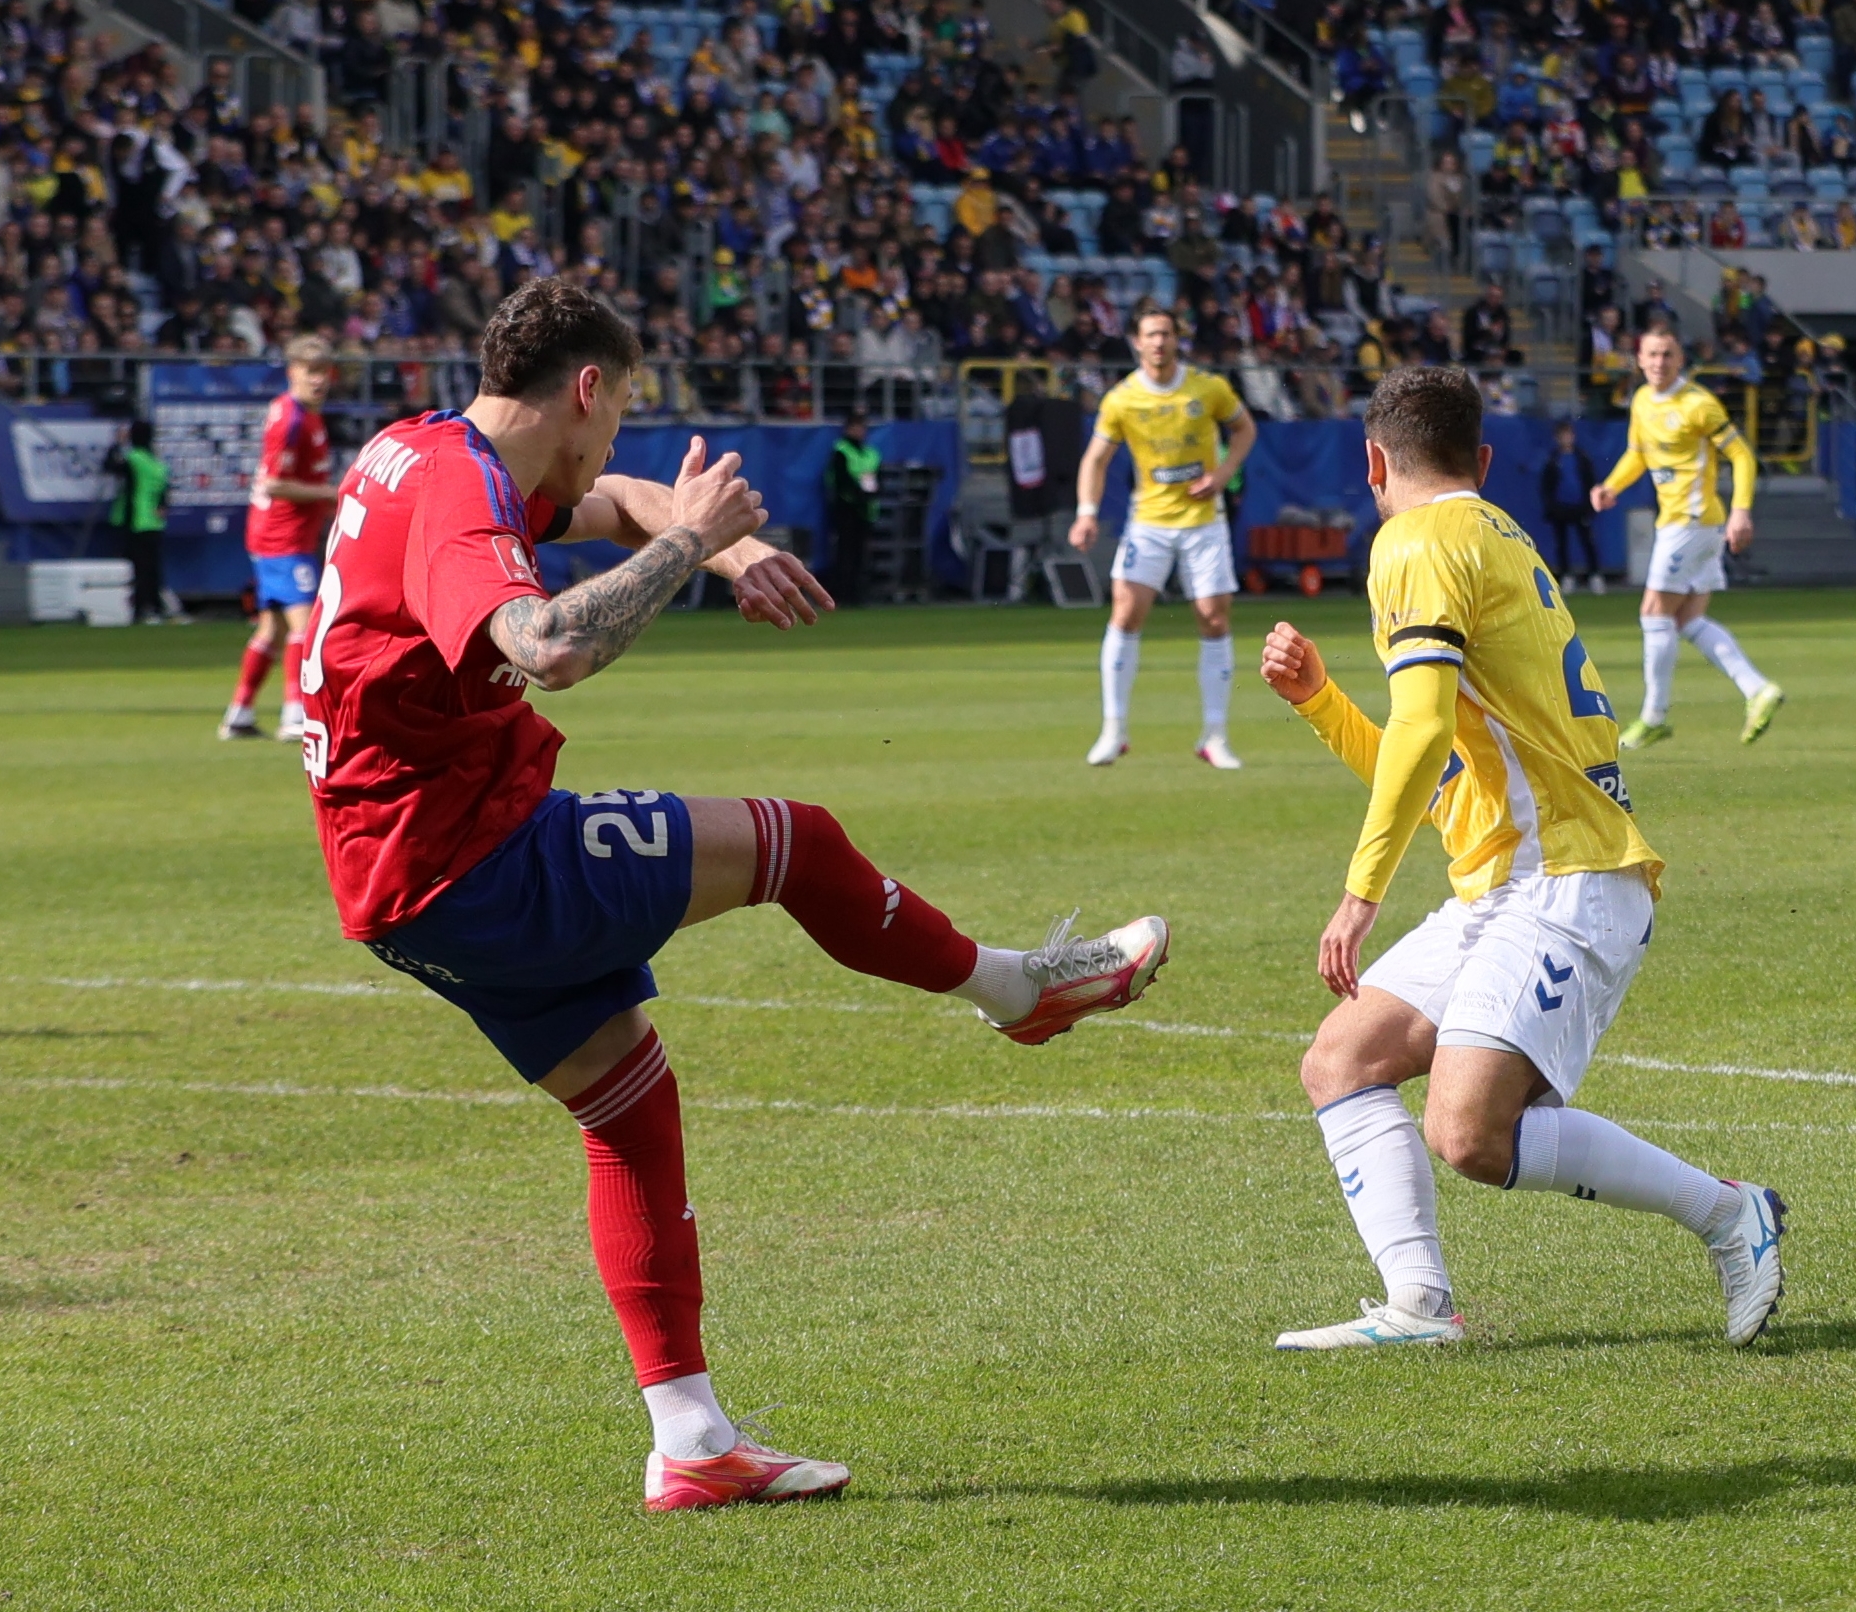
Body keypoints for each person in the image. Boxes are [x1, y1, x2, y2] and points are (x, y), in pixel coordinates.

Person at [297, 279, 1172, 1509]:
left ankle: (694, 1442)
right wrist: (689, 546)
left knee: (628, 1106)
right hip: (471, 859)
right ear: (586, 388)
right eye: (619, 408)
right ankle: (1015, 991)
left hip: (405, 875)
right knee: (792, 842)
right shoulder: (458, 492)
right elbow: (550, 645)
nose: (614, 438)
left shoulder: (429, 448)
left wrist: (732, 544)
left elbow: (618, 499)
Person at [1254, 366, 1785, 1351]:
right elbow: (1443, 773)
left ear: (1373, 463)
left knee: (1468, 1135)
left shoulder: (1414, 542)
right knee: (1342, 1061)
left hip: (1567, 880)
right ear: (1485, 460)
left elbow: (1422, 735)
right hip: (1510, 881)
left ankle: (1728, 1213)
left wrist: (1360, 893)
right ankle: (1419, 1306)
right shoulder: (1498, 536)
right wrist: (1321, 702)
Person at [1069, 304, 1260, 768]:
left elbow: (1244, 429)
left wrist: (1223, 474)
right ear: (1137, 342)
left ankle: (1214, 736)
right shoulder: (1122, 399)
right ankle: (1113, 729)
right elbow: (1095, 459)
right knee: (1125, 612)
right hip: (1149, 522)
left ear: (1177, 340)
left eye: (1166, 334)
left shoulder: (1207, 388)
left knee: (1213, 618)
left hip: (1203, 521)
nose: (1158, 342)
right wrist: (1086, 513)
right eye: (1151, 334)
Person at [1588, 324, 1785, 748]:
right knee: (1688, 620)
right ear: (1640, 359)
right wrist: (1612, 486)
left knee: (1653, 613)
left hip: (1691, 521)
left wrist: (1742, 510)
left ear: (1681, 360)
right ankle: (1757, 689)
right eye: (1652, 354)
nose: (1659, 362)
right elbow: (1637, 454)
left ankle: (1654, 716)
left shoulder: (1698, 403)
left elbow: (1741, 455)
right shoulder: (1642, 400)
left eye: (1668, 355)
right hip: (1686, 523)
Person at [222, 337, 340, 741]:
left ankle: (239, 713)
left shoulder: (306, 415)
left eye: (323, 372)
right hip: (282, 537)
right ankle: (295, 714)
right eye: (310, 372)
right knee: (305, 626)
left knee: (270, 629)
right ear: (293, 373)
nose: (318, 380)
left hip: (282, 536)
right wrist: (330, 494)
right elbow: (273, 483)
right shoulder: (291, 419)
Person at [105, 416, 170, 624]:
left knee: (138, 568)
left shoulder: (133, 459)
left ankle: (141, 609)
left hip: (135, 520)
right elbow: (164, 491)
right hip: (154, 522)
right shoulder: (157, 463)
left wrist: (117, 444)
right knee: (153, 567)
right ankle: (156, 607)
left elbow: (109, 466)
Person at [1539, 416, 1606, 591]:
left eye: (1568, 434)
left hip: (1580, 507)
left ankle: (1595, 576)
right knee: (1562, 544)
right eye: (1562, 435)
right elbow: (1546, 485)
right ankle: (1566, 577)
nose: (1566, 438)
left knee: (1588, 542)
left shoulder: (1582, 457)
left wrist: (1590, 505)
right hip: (1561, 509)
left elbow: (1590, 481)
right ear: (1557, 438)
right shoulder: (1553, 459)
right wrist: (1552, 506)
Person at [820, 413, 880, 606]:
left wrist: (871, 494)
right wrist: (856, 494)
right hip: (846, 507)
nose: (859, 431)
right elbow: (840, 480)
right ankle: (842, 593)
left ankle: (859, 592)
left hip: (866, 508)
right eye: (855, 427)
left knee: (861, 552)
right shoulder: (841, 450)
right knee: (845, 551)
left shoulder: (871, 453)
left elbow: (877, 476)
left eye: (862, 427)